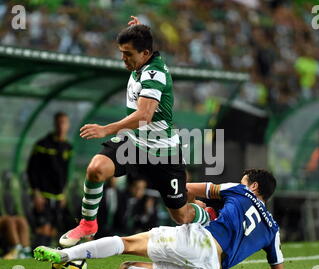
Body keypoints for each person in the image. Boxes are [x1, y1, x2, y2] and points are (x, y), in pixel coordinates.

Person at [60, 16, 211, 248]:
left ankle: (210, 214)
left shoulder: (155, 74)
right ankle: (88, 224)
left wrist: (106, 129)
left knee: (180, 216)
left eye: (128, 54)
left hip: (163, 153)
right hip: (134, 145)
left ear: (146, 54)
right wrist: (138, 30)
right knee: (95, 169)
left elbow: (144, 116)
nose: (123, 58)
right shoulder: (143, 60)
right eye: (122, 52)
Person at [34, 169, 287, 269]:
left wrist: (174, 189)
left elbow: (186, 190)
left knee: (126, 243)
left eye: (244, 181)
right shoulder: (273, 229)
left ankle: (64, 254)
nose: (241, 183)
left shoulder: (240, 190)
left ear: (253, 186)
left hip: (200, 244)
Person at [26, 111, 73, 247]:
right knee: (43, 227)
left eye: (64, 123)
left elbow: (65, 173)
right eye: (59, 123)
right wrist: (35, 192)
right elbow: (31, 170)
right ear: (54, 124)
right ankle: (34, 257)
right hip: (42, 194)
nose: (61, 126)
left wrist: (64, 193)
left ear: (68, 125)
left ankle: (49, 257)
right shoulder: (42, 145)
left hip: (59, 196)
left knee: (53, 229)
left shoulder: (68, 147)